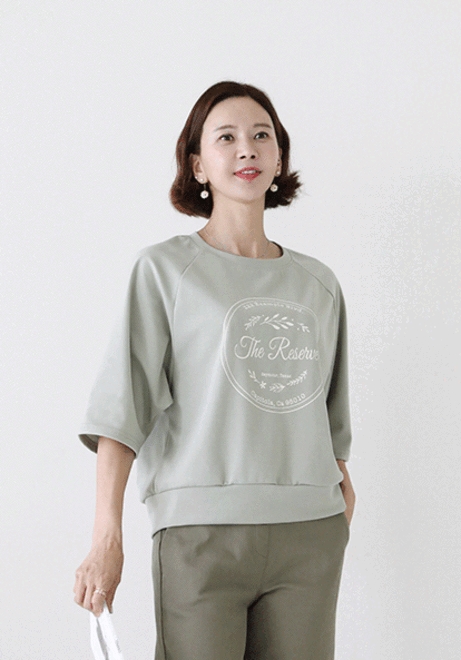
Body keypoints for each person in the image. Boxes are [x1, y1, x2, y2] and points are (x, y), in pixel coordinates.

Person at [74, 80, 356, 660]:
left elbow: (331, 424)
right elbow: (121, 412)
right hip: (199, 535)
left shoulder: (319, 284)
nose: (247, 148)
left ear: (279, 157)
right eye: (226, 137)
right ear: (198, 165)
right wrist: (107, 537)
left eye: (261, 135)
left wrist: (337, 507)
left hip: (310, 534)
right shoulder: (164, 270)